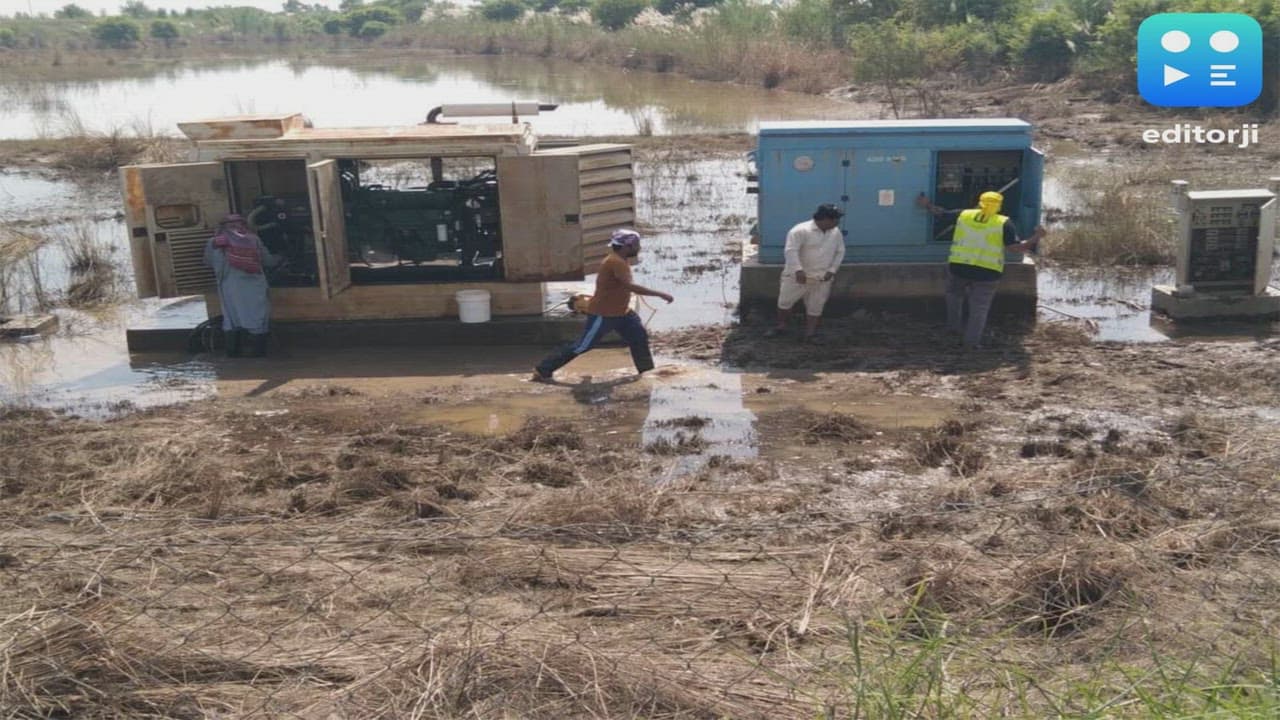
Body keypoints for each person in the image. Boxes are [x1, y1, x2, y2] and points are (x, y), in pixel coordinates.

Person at [532, 228, 673, 382]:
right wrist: (660, 294)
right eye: (636, 245)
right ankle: (543, 369)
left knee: (638, 337)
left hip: (622, 313)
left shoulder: (620, 260)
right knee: (583, 346)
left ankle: (646, 372)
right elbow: (629, 286)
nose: (639, 248)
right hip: (604, 314)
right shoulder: (615, 262)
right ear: (627, 246)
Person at [917, 190, 1045, 350]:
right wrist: (1036, 237)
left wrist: (926, 204)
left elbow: (941, 213)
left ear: (980, 202)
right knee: (979, 307)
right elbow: (1015, 248)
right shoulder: (1004, 222)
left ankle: (953, 329)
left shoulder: (964, 215)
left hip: (959, 267)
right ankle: (971, 343)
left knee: (954, 297)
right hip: (987, 272)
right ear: (999, 206)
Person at [765, 203, 846, 344]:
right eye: (834, 219)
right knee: (785, 302)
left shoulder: (835, 233)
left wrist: (832, 270)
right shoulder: (800, 230)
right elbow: (791, 251)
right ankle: (782, 325)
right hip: (796, 277)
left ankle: (810, 333)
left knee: (816, 306)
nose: (837, 222)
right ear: (825, 219)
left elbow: (840, 251)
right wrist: (798, 270)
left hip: (821, 277)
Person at [204, 213, 281, 358]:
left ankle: (233, 355)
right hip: (255, 287)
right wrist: (281, 257)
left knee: (231, 319)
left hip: (228, 287)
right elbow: (268, 261)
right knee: (257, 318)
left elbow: (208, 262)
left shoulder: (214, 242)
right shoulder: (253, 239)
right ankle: (258, 356)